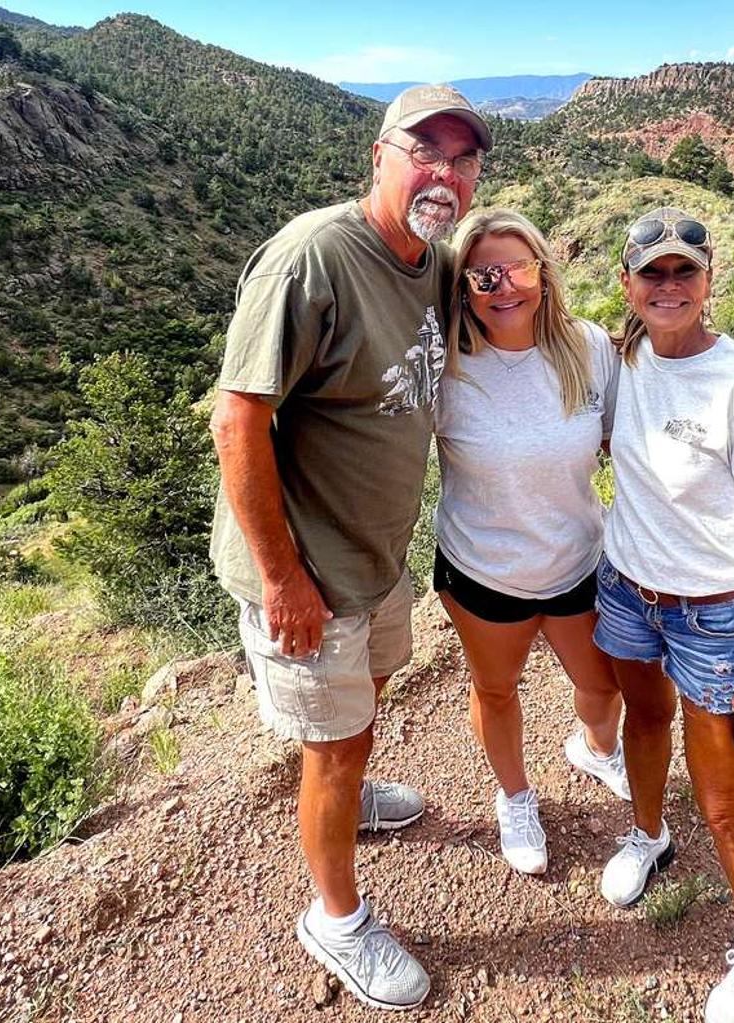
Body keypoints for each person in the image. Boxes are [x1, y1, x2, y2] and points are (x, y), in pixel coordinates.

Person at [207, 83, 491, 1012]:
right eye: (425, 151)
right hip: (308, 574)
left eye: (462, 158)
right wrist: (283, 578)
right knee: (331, 744)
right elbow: (237, 421)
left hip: (372, 557)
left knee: (358, 710)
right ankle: (336, 919)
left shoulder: (432, 262)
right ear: (379, 157)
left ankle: (349, 795)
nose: (444, 173)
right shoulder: (314, 258)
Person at [590, 207, 734, 1023]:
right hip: (627, 592)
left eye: (685, 271)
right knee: (644, 721)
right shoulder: (624, 361)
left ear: (709, 281)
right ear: (629, 285)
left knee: (724, 803)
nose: (669, 286)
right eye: (654, 273)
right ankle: (648, 835)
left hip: (716, 619)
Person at [433, 209, 630, 877]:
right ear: (463, 289)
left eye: (517, 268)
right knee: (495, 690)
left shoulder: (587, 347)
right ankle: (515, 796)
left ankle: (597, 750)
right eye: (482, 275)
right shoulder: (446, 366)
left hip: (578, 558)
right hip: (483, 569)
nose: (503, 287)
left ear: (543, 273)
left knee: (603, 684)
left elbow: (625, 441)